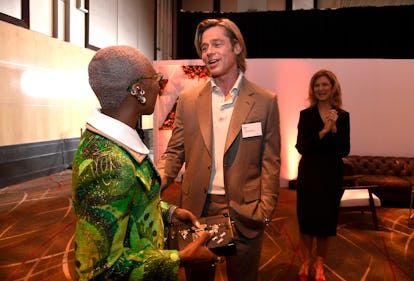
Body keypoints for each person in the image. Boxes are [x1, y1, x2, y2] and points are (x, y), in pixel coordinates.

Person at [71, 45, 219, 281]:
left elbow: (129, 200)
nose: (159, 84)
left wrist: (168, 213)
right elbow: (100, 270)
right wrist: (181, 258)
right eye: (155, 78)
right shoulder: (111, 163)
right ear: (138, 91)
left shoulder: (114, 145)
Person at [157, 18, 281, 281]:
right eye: (204, 47)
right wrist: (151, 185)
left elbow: (270, 160)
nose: (208, 52)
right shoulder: (189, 101)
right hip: (196, 210)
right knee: (198, 277)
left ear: (236, 47)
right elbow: (174, 154)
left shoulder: (264, 101)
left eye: (216, 44)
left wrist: (265, 210)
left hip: (245, 211)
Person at [295, 69, 350, 281]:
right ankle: (305, 261)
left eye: (325, 85)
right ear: (313, 89)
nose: (321, 89)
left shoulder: (343, 117)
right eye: (317, 85)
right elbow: (302, 146)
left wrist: (335, 128)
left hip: (330, 175)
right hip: (309, 173)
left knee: (326, 223)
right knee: (307, 220)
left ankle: (319, 263)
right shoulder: (305, 115)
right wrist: (324, 130)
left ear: (332, 87)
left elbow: (343, 150)